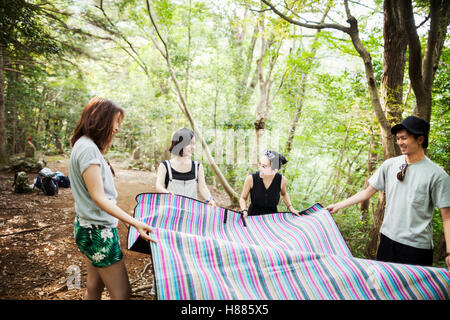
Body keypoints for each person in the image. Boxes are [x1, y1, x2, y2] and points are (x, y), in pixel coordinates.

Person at [326, 116, 450, 270]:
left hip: (416, 248)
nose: (399, 142)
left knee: (412, 294)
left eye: (404, 138)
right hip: (387, 240)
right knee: (384, 289)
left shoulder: (437, 175)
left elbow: (447, 217)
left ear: (420, 139)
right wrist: (338, 205)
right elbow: (367, 193)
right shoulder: (390, 165)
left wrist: (449, 253)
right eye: (398, 138)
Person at [69, 97, 156, 300]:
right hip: (98, 234)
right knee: (122, 294)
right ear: (100, 119)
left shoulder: (84, 145)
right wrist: (133, 222)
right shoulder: (88, 149)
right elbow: (99, 198)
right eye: (116, 121)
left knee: (94, 287)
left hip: (89, 227)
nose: (117, 128)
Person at [155, 128, 216, 206]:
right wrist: (167, 193)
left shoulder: (197, 166)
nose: (193, 147)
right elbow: (159, 186)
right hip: (170, 211)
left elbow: (203, 188)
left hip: (191, 212)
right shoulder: (165, 165)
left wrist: (210, 199)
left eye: (194, 144)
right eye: (189, 143)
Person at [240, 150, 300, 217]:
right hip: (253, 217)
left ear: (275, 170)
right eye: (259, 164)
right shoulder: (251, 179)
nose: (259, 168)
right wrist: (244, 210)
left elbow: (284, 194)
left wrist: (290, 208)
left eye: (264, 166)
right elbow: (243, 198)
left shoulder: (282, 180)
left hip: (272, 217)